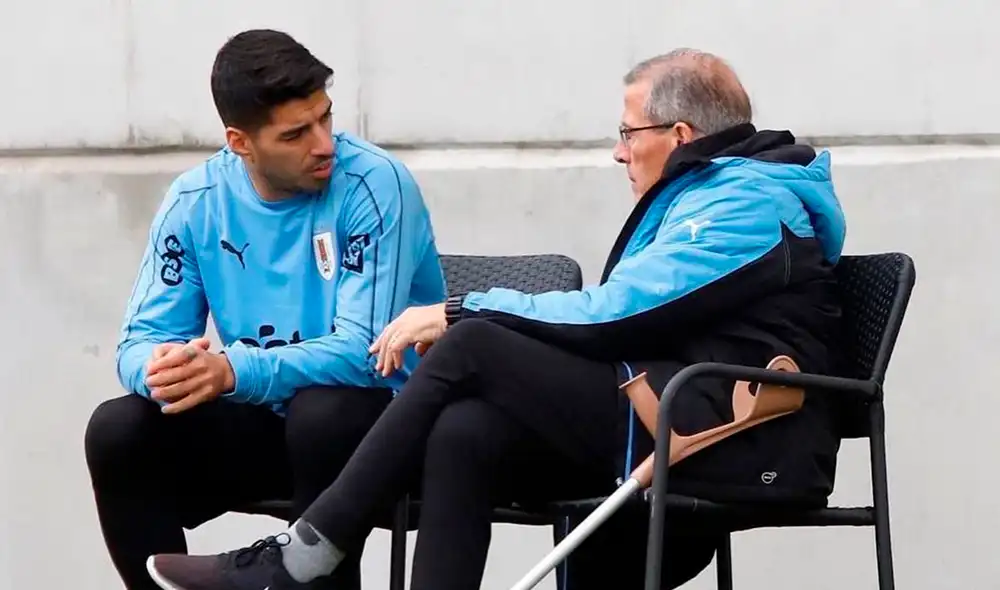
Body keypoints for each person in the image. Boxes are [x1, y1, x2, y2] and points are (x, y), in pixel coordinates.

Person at [145, 48, 848, 590]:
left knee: (473, 341)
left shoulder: (742, 205)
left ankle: (305, 554)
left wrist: (461, 309)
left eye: (628, 132)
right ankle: (313, 555)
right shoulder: (712, 195)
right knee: (468, 428)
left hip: (743, 435)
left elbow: (613, 316)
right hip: (678, 408)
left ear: (681, 133)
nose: (618, 150)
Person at [83, 29, 447, 590]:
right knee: (117, 430)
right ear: (240, 142)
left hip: (383, 428)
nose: (323, 144)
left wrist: (232, 370)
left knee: (322, 413)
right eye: (296, 134)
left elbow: (364, 353)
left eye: (325, 118)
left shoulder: (375, 184)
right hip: (268, 423)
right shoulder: (195, 201)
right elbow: (139, 340)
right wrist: (165, 370)